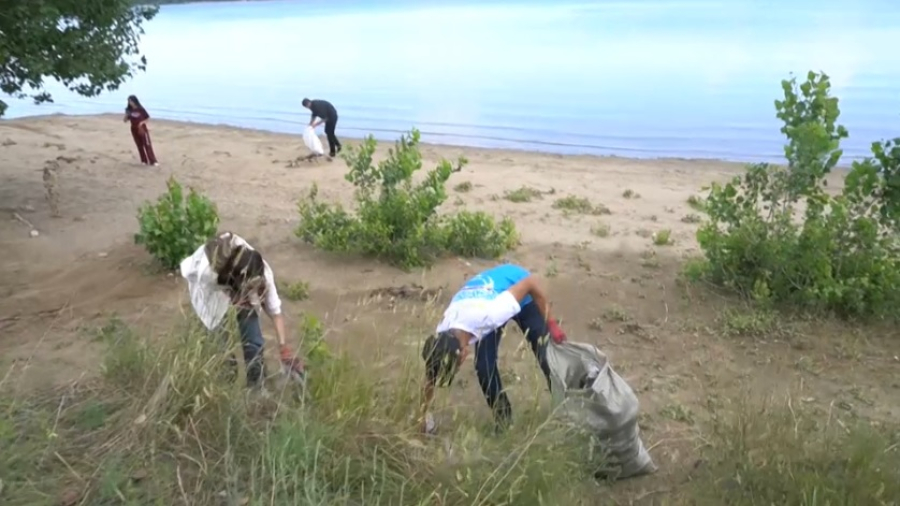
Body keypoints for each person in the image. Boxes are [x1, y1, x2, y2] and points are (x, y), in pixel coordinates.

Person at [419, 264, 567, 433]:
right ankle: (504, 422)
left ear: (462, 354)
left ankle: (566, 408)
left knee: (546, 355)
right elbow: (431, 374)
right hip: (488, 299)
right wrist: (423, 416)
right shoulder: (442, 337)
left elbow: (531, 283)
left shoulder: (488, 315)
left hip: (519, 286)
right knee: (484, 368)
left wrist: (552, 325)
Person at [179, 232, 304, 389]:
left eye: (254, 289)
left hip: (233, 284)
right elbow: (186, 270)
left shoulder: (262, 271)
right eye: (247, 290)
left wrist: (283, 347)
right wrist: (227, 294)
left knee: (254, 344)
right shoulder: (206, 273)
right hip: (211, 296)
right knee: (222, 352)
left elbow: (275, 311)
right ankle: (225, 389)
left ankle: (257, 388)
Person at [122, 95, 158, 167]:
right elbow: (125, 121)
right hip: (133, 128)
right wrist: (126, 114)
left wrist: (142, 122)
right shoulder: (129, 110)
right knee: (139, 145)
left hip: (142, 128)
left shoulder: (140, 109)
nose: (130, 103)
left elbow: (147, 118)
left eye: (131, 101)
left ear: (135, 101)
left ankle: (153, 161)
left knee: (147, 144)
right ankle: (144, 160)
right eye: (129, 101)